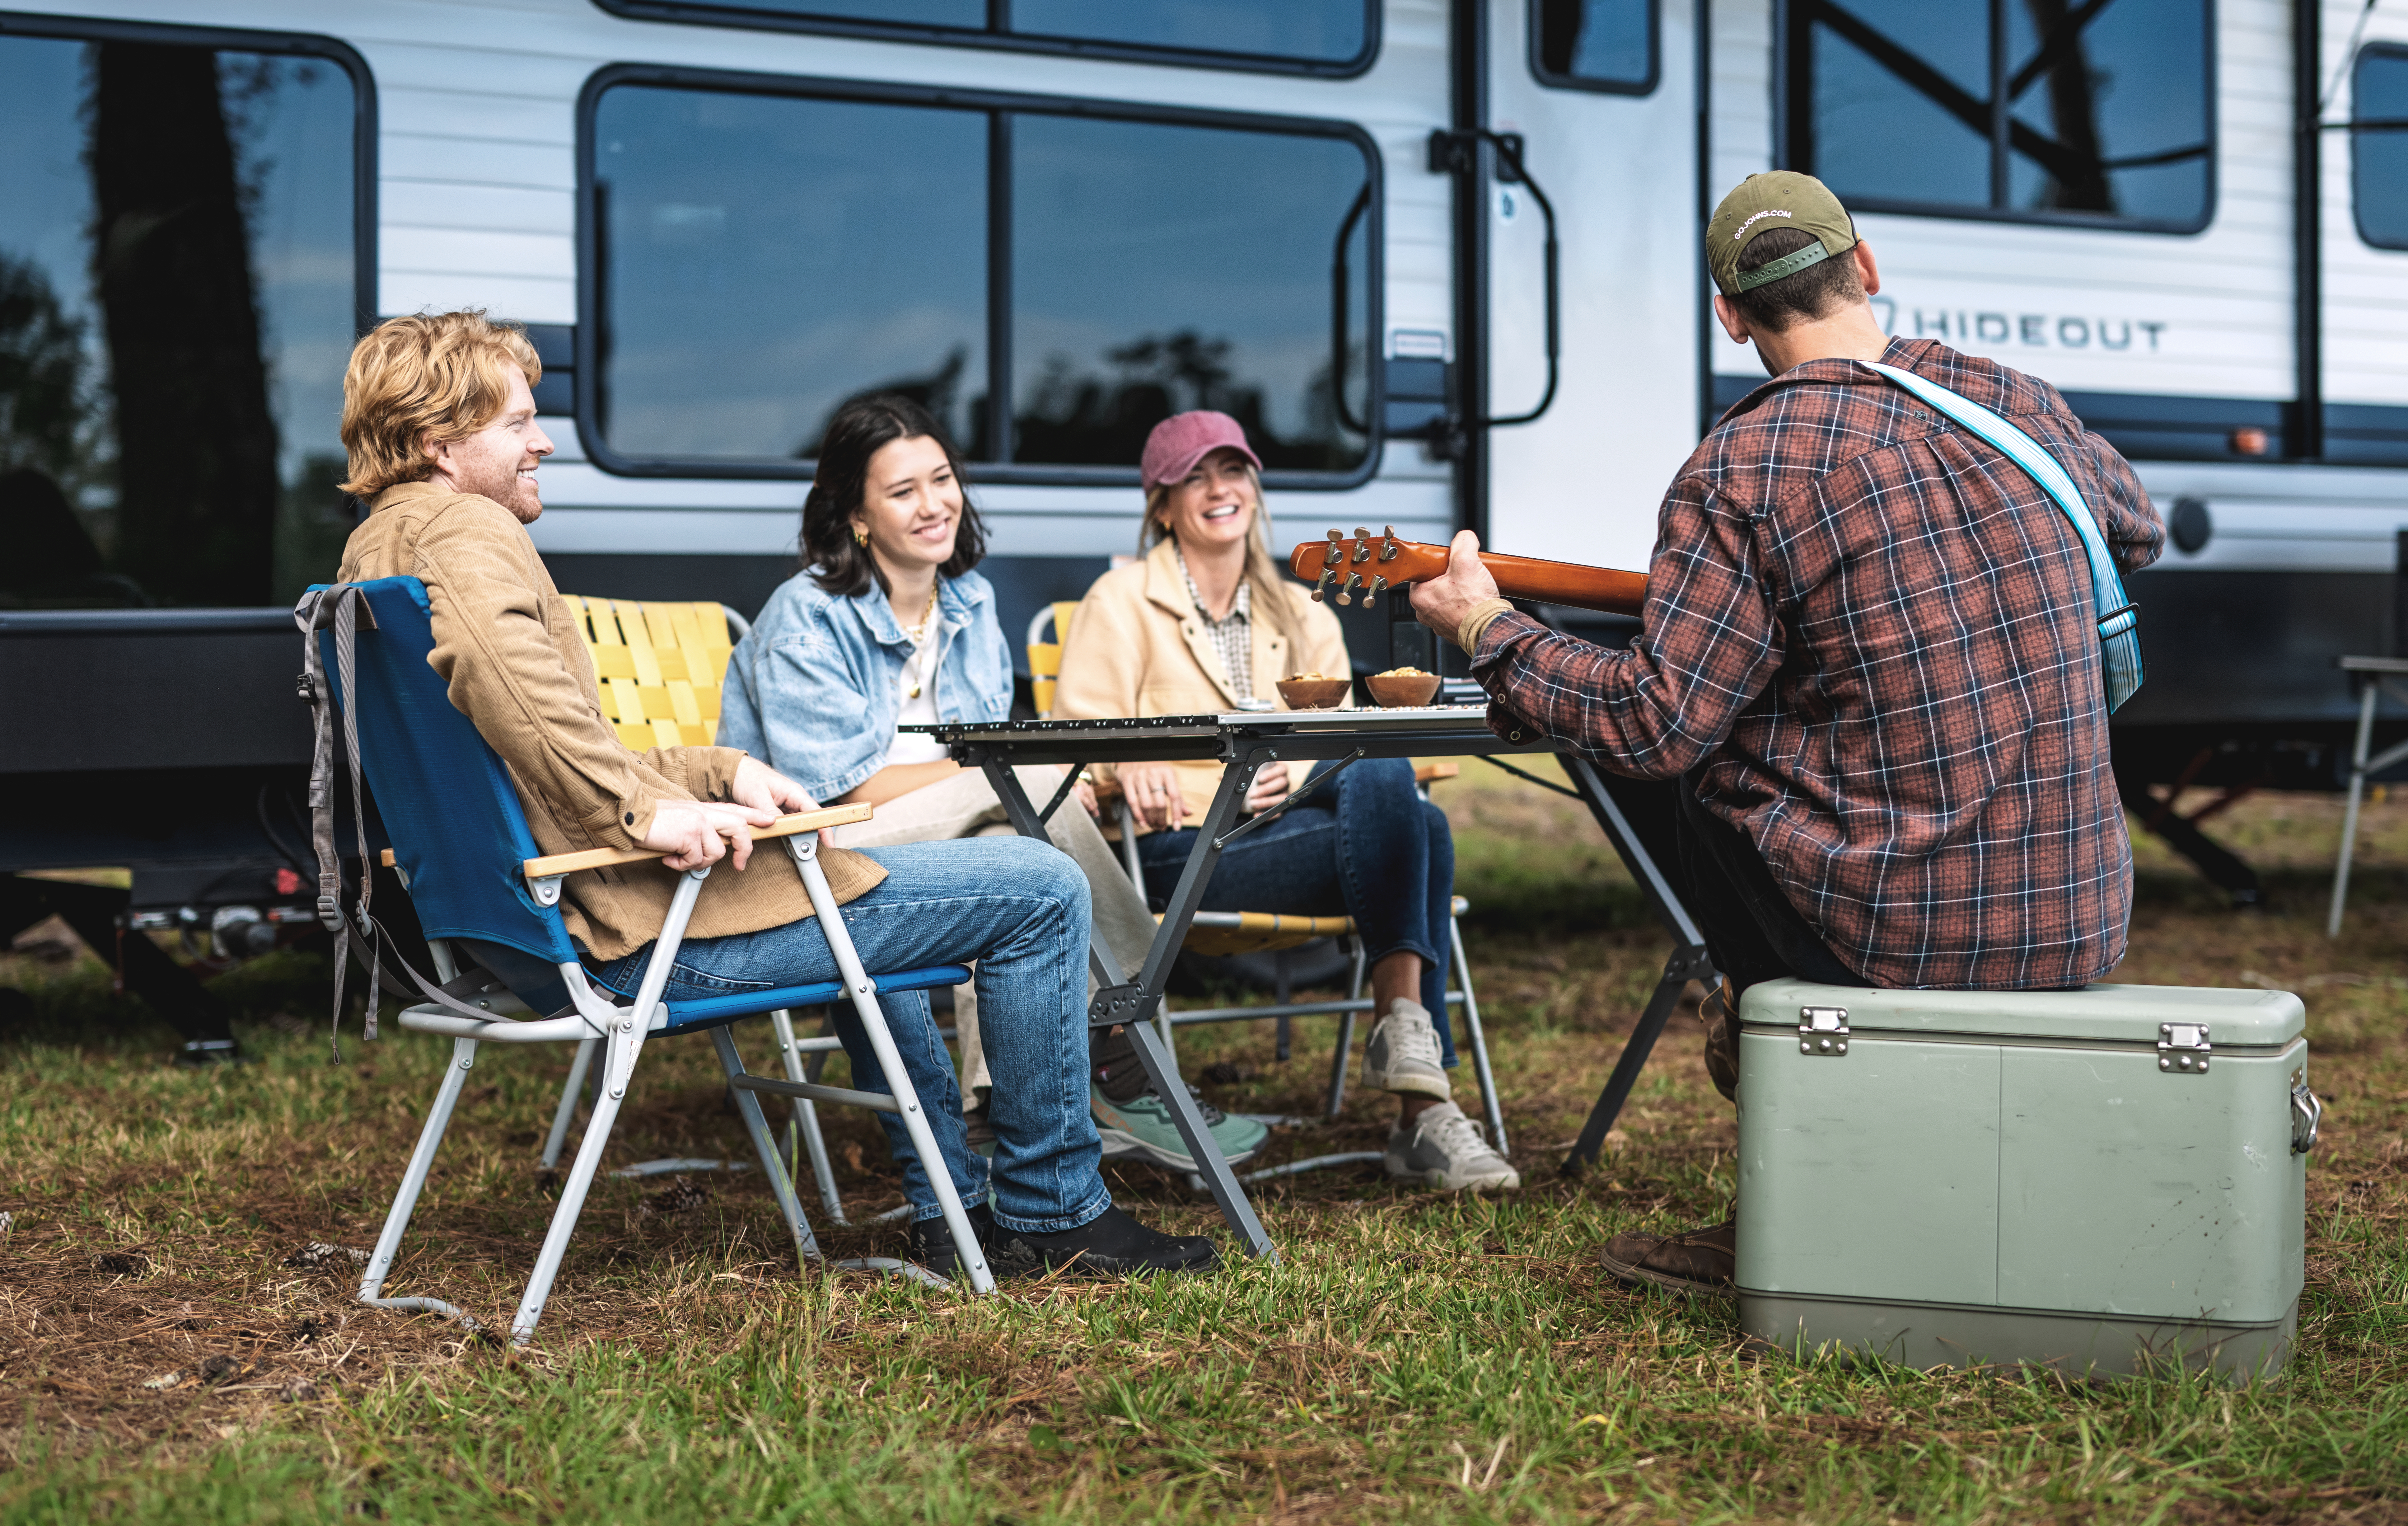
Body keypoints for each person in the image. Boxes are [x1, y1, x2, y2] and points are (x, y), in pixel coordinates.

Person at [331, 312, 1217, 1280]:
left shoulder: (378, 550)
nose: (543, 440)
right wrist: (648, 814)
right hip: (630, 935)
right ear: (437, 443)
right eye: (518, 424)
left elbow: (527, 738)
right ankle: (1057, 1213)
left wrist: (716, 773)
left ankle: (951, 1211)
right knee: (1038, 888)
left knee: (899, 894)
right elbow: (509, 684)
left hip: (522, 936)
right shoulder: (467, 530)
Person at [1408, 171, 2161, 1292]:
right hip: (2077, 914)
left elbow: (1651, 720)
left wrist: (1489, 629)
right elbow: (2134, 534)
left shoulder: (1744, 465)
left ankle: (1794, 1145)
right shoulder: (2011, 394)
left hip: (1909, 941)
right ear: (1866, 267)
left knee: (1692, 775)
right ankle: (1789, 1059)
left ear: (1730, 314)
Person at [717, 393, 1268, 1173]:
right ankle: (1118, 1033)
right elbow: (834, 788)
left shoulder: (971, 606)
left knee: (1015, 841)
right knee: (1021, 790)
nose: (934, 503)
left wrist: (1002, 784)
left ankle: (991, 1111)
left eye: (942, 479)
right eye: (903, 491)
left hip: (936, 839)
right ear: (857, 514)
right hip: (811, 847)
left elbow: (986, 774)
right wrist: (1006, 778)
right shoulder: (805, 616)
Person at [1054, 409, 1520, 1193]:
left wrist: (1300, 766)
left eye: (1233, 472)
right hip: (1188, 851)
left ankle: (1412, 1068)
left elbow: (1339, 744)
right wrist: (1124, 757)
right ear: (1161, 504)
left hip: (1300, 835)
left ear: (1255, 490)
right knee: (1425, 828)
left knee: (1383, 772)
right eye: (1193, 477)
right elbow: (1073, 739)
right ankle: (1419, 1100)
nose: (1219, 489)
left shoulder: (1303, 611)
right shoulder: (1121, 599)